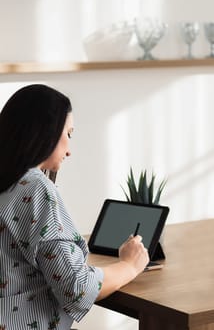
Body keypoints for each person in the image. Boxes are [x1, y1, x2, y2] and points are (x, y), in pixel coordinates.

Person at [0, 84, 149, 330]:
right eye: (68, 133)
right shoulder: (36, 188)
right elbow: (76, 288)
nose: (69, 150)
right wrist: (129, 266)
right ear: (45, 131)